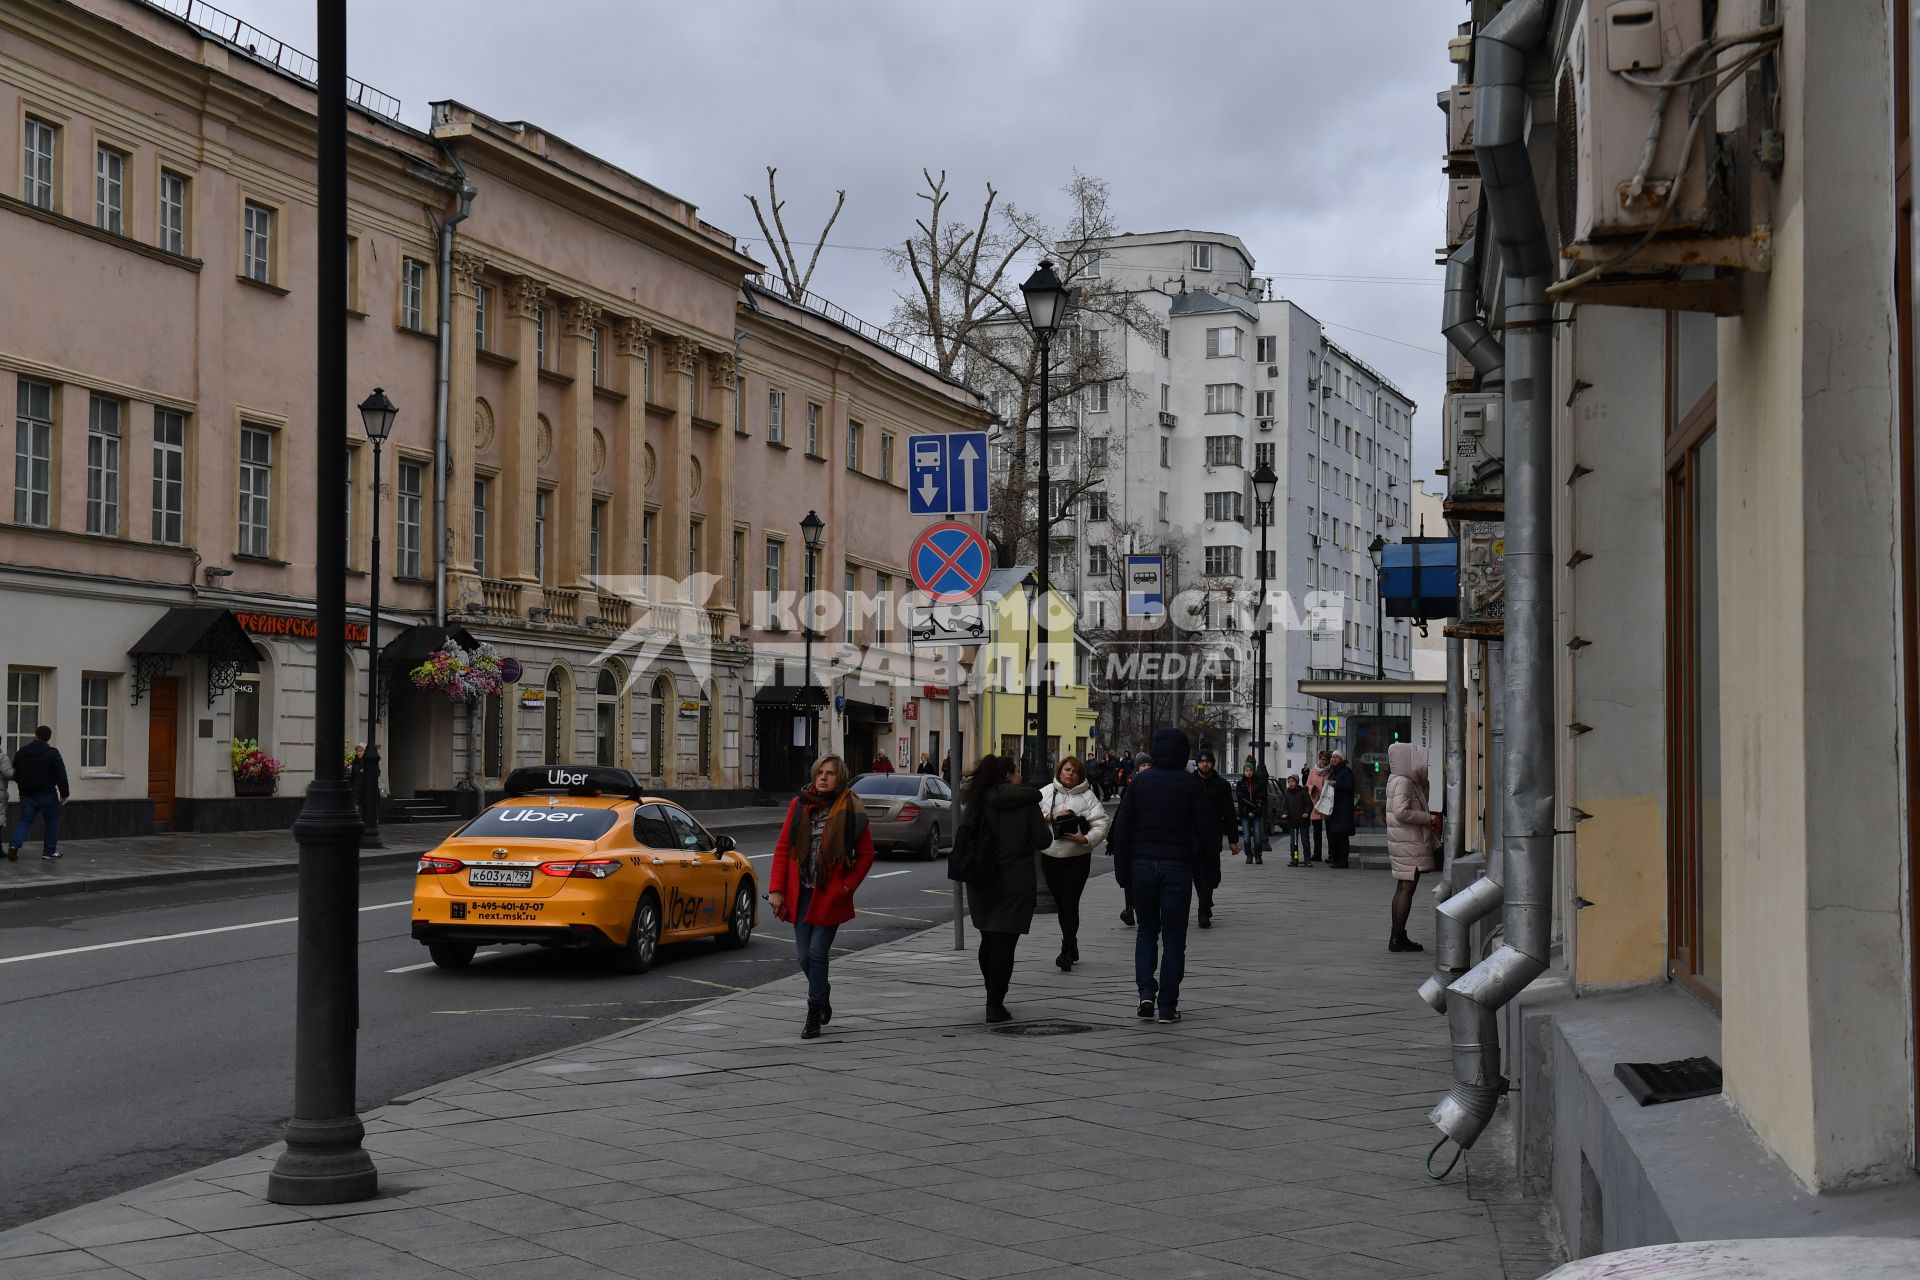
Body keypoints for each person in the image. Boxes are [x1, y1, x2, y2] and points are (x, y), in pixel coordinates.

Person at [1108, 727, 1213, 1024]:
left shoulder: (1139, 782)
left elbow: (1123, 829)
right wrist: (1209, 875)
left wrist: (1122, 873)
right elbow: (1207, 833)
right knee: (1174, 938)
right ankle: (1167, 1005)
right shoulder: (1191, 785)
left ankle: (1145, 993)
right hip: (1177, 867)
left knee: (1146, 931)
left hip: (1142, 866)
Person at [768, 755, 877, 1040]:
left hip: (829, 894)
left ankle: (813, 1012)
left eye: (830, 773)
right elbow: (782, 850)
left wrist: (847, 886)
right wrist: (777, 890)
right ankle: (823, 991)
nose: (823, 777)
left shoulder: (852, 809)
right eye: (820, 772)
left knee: (818, 953)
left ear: (839, 778)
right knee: (805, 957)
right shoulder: (799, 805)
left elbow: (866, 855)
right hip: (801, 892)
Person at [960, 754, 1050, 1022]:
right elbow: (1043, 842)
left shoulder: (976, 801)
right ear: (1009, 775)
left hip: (981, 877)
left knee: (988, 938)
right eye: (1018, 771)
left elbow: (963, 836)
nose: (1021, 776)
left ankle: (991, 993)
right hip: (1015, 879)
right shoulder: (1027, 801)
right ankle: (995, 1003)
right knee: (1005, 943)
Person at [1038, 756, 1110, 973]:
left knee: (1069, 903)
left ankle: (1066, 950)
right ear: (1060, 771)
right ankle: (1072, 943)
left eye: (1075, 771)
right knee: (1061, 904)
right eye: (1067, 769)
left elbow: (1102, 822)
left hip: (1077, 858)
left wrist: (1085, 839)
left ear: (1081, 775)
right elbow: (1031, 814)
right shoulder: (1046, 792)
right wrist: (1050, 816)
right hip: (1050, 856)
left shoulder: (1088, 797)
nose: (1070, 773)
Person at [1386, 743, 1441, 952]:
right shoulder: (1404, 782)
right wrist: (1429, 818)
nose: (1424, 764)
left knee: (1403, 887)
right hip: (1408, 841)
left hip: (1404, 841)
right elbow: (1402, 812)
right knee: (1406, 888)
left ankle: (1398, 935)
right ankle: (1398, 937)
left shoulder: (1398, 779)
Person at [1191, 749, 1238, 927]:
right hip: (1193, 836)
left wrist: (1233, 840)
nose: (1205, 764)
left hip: (1212, 836)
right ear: (1197, 763)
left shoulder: (1221, 785)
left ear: (1212, 763)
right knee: (1197, 874)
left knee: (1212, 875)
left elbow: (1229, 813)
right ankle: (1203, 911)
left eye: (1208, 761)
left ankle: (1206, 900)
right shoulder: (1189, 783)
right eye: (1202, 761)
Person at [10, 725, 71, 861]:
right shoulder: (53, 753)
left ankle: (14, 845)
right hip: (48, 794)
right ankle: (49, 852)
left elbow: (15, 770)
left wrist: (22, 786)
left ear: (35, 735)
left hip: (27, 795)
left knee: (25, 821)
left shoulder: (22, 752)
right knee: (51, 821)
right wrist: (64, 794)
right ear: (48, 738)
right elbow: (61, 774)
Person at [1325, 751, 1358, 869]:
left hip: (1344, 809)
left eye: (1336, 757)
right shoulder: (1334, 772)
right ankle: (1337, 859)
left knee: (1342, 836)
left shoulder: (1346, 771)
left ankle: (1343, 861)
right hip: (1336, 808)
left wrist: (1336, 783)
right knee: (1335, 835)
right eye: (1332, 757)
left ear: (1341, 759)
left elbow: (1350, 786)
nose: (1333, 759)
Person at [1234, 763, 1267, 866]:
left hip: (1256, 813)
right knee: (1246, 837)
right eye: (1247, 771)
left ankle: (1258, 855)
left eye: (1250, 771)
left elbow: (1262, 798)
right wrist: (1248, 811)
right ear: (1244, 772)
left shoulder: (1258, 782)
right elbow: (1241, 799)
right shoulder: (1240, 783)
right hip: (1245, 814)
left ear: (1253, 772)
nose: (1249, 773)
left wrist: (1254, 810)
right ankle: (1249, 855)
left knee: (1257, 836)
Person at [1280, 774, 1313, 866]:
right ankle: (1295, 858)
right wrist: (1285, 813)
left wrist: (1307, 812)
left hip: (1303, 821)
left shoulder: (1303, 792)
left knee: (1305, 840)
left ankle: (1307, 858)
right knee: (1293, 842)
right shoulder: (1287, 794)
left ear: (1297, 782)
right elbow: (1285, 807)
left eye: (1293, 781)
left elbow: (1309, 804)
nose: (1291, 783)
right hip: (1292, 821)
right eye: (1289, 782)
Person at [1305, 751, 1332, 863]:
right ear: (1319, 759)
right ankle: (1317, 854)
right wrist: (1312, 788)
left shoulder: (1330, 772)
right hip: (1316, 803)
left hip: (1327, 803)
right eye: (1322, 759)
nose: (1324, 762)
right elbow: (1307, 785)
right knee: (1316, 831)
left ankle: (1331, 854)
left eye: (1326, 760)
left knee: (1330, 831)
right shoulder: (1313, 771)